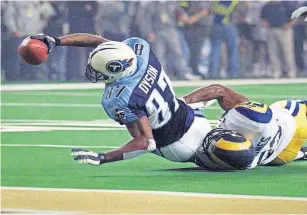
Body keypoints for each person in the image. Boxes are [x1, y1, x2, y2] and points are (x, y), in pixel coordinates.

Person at [29, 33, 212, 166]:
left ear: (116, 70)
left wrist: (104, 157)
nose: (95, 74)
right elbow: (99, 42)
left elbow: (146, 142)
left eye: (99, 72)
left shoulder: (119, 97)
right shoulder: (139, 50)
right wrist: (57, 41)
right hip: (186, 115)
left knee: (235, 153)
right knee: (222, 93)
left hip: (176, 144)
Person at [182, 84, 307, 170]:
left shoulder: (233, 156)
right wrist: (182, 101)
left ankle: (301, 153)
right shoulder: (245, 117)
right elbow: (219, 90)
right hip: (294, 125)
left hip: (281, 158)